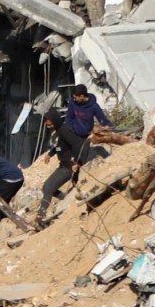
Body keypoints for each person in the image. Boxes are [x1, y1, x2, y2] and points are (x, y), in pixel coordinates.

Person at [44, 85, 109, 214]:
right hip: (73, 136)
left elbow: (103, 120)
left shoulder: (93, 106)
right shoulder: (73, 105)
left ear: (82, 96)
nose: (73, 99)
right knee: (72, 174)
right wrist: (66, 133)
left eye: (75, 97)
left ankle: (76, 195)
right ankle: (70, 196)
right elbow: (68, 119)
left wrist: (109, 129)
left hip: (83, 141)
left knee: (79, 170)